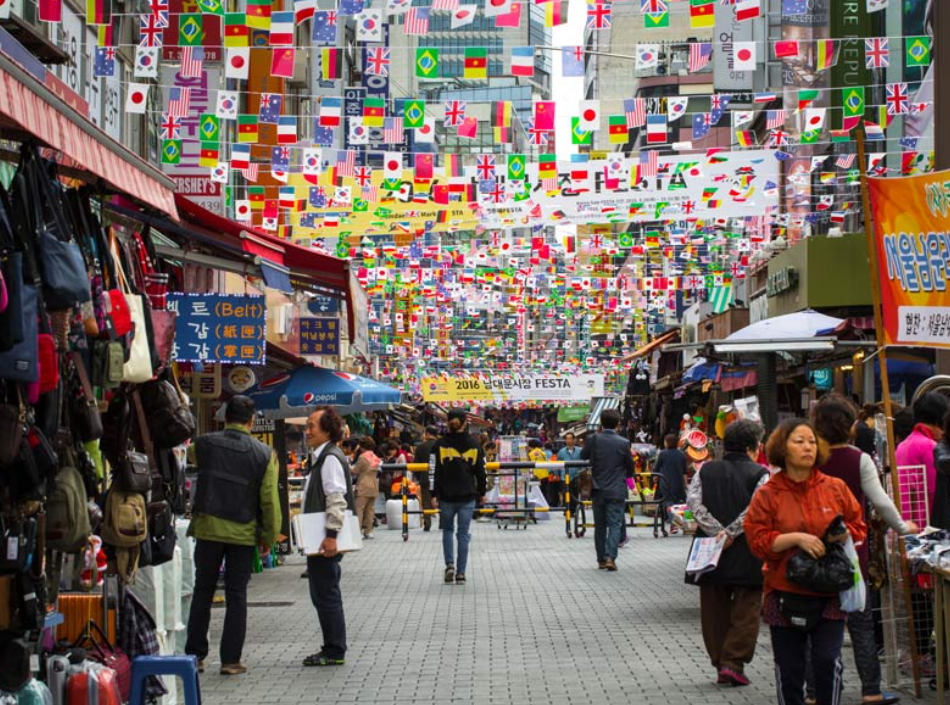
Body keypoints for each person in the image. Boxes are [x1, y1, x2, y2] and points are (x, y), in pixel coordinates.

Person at [744, 419, 866, 705]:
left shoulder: (834, 487)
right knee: (790, 669)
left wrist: (844, 534)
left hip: (830, 591)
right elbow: (758, 541)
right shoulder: (768, 493)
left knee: (826, 661)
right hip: (783, 591)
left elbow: (858, 525)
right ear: (782, 448)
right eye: (799, 441)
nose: (807, 447)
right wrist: (796, 538)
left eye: (811, 441)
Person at [813, 394, 916, 705]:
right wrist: (903, 527)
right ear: (849, 425)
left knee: (817, 626)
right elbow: (881, 502)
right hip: (852, 554)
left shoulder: (809, 457)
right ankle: (871, 690)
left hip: (814, 553)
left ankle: (817, 691)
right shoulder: (859, 459)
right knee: (861, 626)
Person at [185, 396, 281, 676]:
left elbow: (186, 455)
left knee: (203, 590)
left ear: (224, 417)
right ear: (252, 421)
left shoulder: (203, 445)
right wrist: (269, 536)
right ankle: (230, 660)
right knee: (236, 595)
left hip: (208, 528)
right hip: (243, 532)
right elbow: (269, 501)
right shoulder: (264, 454)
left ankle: (196, 656)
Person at [686, 419, 768, 687]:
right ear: (751, 446)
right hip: (747, 548)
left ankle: (721, 662)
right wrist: (731, 533)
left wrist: (714, 531)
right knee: (748, 605)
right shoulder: (761, 473)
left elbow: (693, 502)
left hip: (708, 549)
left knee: (713, 607)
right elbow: (756, 507)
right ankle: (733, 663)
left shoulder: (704, 470)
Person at [302, 406, 355, 667]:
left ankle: (334, 649)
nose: (307, 431)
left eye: (312, 426)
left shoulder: (330, 458)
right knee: (323, 592)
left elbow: (337, 497)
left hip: (325, 540)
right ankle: (332, 646)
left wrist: (331, 534)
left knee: (326, 593)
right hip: (319, 539)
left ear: (327, 430)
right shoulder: (321, 457)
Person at [430, 409, 487, 585]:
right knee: (463, 534)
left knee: (447, 530)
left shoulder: (438, 445)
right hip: (467, 495)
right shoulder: (475, 444)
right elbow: (481, 471)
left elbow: (433, 471)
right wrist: (483, 492)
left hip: (446, 495)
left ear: (448, 422)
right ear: (465, 423)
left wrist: (433, 493)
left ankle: (449, 565)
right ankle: (461, 573)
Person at [582, 408, 633, 571]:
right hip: (617, 489)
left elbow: (582, 456)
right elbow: (630, 469)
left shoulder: (593, 439)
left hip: (597, 489)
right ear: (618, 423)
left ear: (601, 423)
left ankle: (601, 559)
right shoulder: (624, 443)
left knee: (600, 526)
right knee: (615, 524)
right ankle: (611, 557)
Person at [895, 392, 948, 528]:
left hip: (905, 523)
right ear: (938, 421)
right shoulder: (928, 446)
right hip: (923, 528)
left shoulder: (904, 444)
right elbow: (935, 493)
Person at [654, 434, 689, 535]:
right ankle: (685, 525)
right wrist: (685, 485)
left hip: (666, 482)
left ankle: (674, 525)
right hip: (678, 483)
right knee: (679, 504)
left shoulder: (663, 454)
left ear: (667, 443)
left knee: (668, 503)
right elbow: (684, 472)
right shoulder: (681, 454)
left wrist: (656, 479)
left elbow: (657, 468)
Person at [350, 437, 381, 540]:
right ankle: (369, 531)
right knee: (370, 510)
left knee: (359, 509)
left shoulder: (362, 457)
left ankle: (357, 532)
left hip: (363, 486)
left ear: (362, 447)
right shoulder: (376, 458)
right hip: (374, 485)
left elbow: (355, 471)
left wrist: (348, 466)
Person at [414, 426, 440, 531]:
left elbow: (416, 465)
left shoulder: (420, 447)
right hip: (440, 477)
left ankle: (427, 523)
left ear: (428, 433)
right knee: (441, 499)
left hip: (425, 478)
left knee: (426, 501)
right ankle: (443, 522)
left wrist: (418, 477)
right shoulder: (441, 446)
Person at [557, 433, 583, 516]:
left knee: (575, 494)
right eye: (567, 439)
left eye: (570, 438)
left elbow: (584, 463)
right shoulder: (561, 452)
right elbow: (558, 464)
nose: (568, 441)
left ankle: (573, 510)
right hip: (564, 477)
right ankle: (566, 510)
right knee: (565, 494)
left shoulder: (580, 450)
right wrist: (557, 474)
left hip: (576, 476)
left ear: (574, 440)